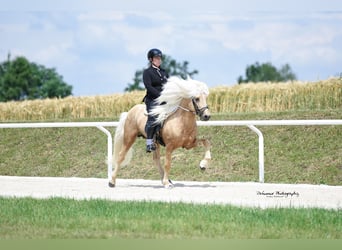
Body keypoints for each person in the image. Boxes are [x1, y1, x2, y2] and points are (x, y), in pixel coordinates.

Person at [143, 48, 169, 153]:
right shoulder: (147, 72)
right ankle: (149, 143)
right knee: (153, 119)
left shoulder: (164, 72)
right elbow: (149, 87)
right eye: (156, 58)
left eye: (160, 58)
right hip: (152, 99)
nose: (159, 60)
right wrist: (160, 96)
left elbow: (169, 84)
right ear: (151, 59)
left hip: (165, 99)